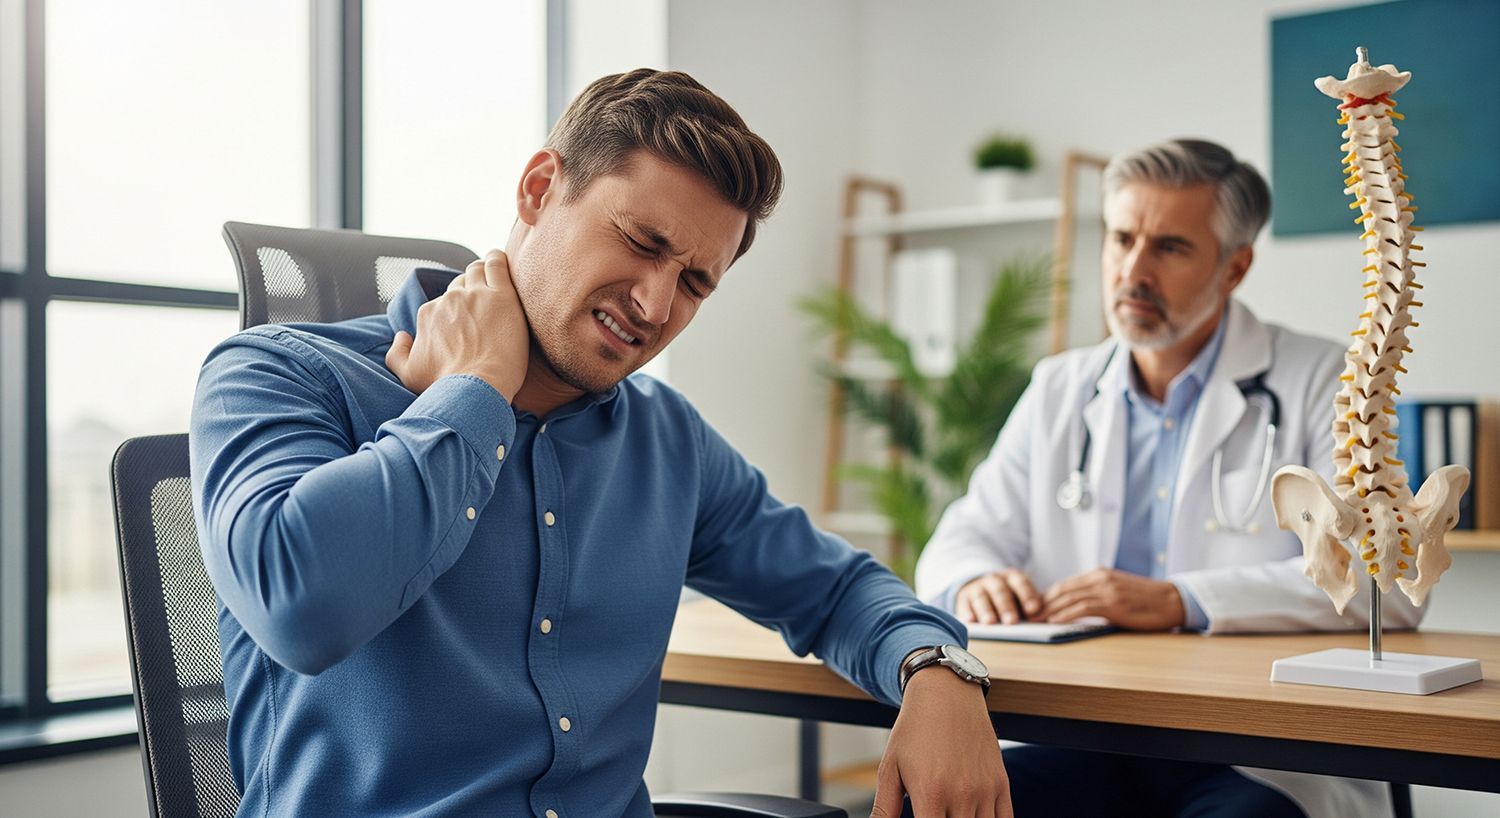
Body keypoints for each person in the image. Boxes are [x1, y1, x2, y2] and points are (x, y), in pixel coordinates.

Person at [191, 69, 1008, 817]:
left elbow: (835, 591)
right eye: (643, 243)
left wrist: (936, 671)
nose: (656, 305)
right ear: (541, 189)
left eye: (694, 282)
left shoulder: (667, 441)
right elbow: (301, 607)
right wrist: (474, 390)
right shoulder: (276, 376)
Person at [913, 138, 1421, 818]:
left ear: (1235, 267)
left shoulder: (1322, 381)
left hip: (1260, 748)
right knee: (938, 806)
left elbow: (1382, 582)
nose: (1133, 271)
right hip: (1086, 734)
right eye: (1121, 239)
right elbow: (960, 537)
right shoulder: (1060, 387)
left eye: (1170, 248)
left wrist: (1180, 601)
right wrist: (976, 578)